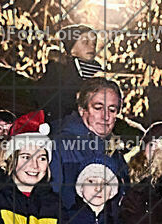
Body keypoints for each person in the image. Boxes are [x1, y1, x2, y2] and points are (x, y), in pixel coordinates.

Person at [49, 77, 128, 214]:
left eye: (112, 110)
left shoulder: (115, 152)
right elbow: (52, 198)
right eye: (98, 108)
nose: (105, 116)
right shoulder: (60, 145)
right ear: (82, 110)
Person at [37, 25, 104, 123]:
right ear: (72, 47)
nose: (91, 46)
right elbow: (47, 97)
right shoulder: (60, 68)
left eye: (94, 43)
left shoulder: (98, 71)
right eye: (85, 42)